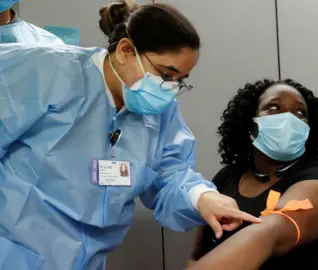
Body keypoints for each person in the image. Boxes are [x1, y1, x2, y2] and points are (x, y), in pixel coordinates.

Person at [0, 1, 260, 269]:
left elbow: (168, 172)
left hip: (86, 260)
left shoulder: (159, 110)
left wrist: (202, 197)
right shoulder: (47, 71)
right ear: (125, 50)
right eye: (164, 73)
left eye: (179, 80)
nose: (170, 88)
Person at [188, 79, 318, 270]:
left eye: (300, 113)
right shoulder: (227, 176)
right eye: (273, 108)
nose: (289, 119)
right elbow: (200, 252)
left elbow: (270, 233)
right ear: (250, 124)